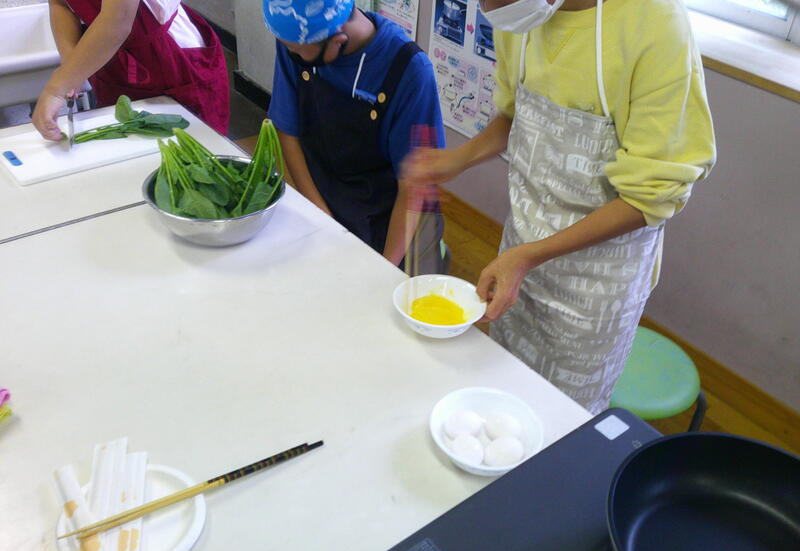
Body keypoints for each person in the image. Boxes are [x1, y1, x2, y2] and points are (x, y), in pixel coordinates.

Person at [405, 0, 716, 414]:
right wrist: (457, 159)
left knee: (560, 419)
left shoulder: (654, 25)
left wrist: (529, 256)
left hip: (593, 288)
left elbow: (650, 197)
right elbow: (516, 114)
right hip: (518, 254)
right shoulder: (521, 15)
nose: (489, 8)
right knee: (503, 394)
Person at [263, 0, 446, 273]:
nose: (291, 54)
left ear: (338, 41)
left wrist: (382, 270)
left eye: (298, 52)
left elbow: (414, 186)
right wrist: (323, 220)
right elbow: (288, 132)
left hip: (395, 221)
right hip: (324, 198)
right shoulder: (296, 42)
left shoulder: (409, 71)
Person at [33, 0, 230, 139]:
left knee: (194, 155)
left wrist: (56, 89)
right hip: (111, 59)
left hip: (171, 59)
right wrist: (72, 67)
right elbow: (60, 4)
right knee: (130, 152)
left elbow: (118, 20)